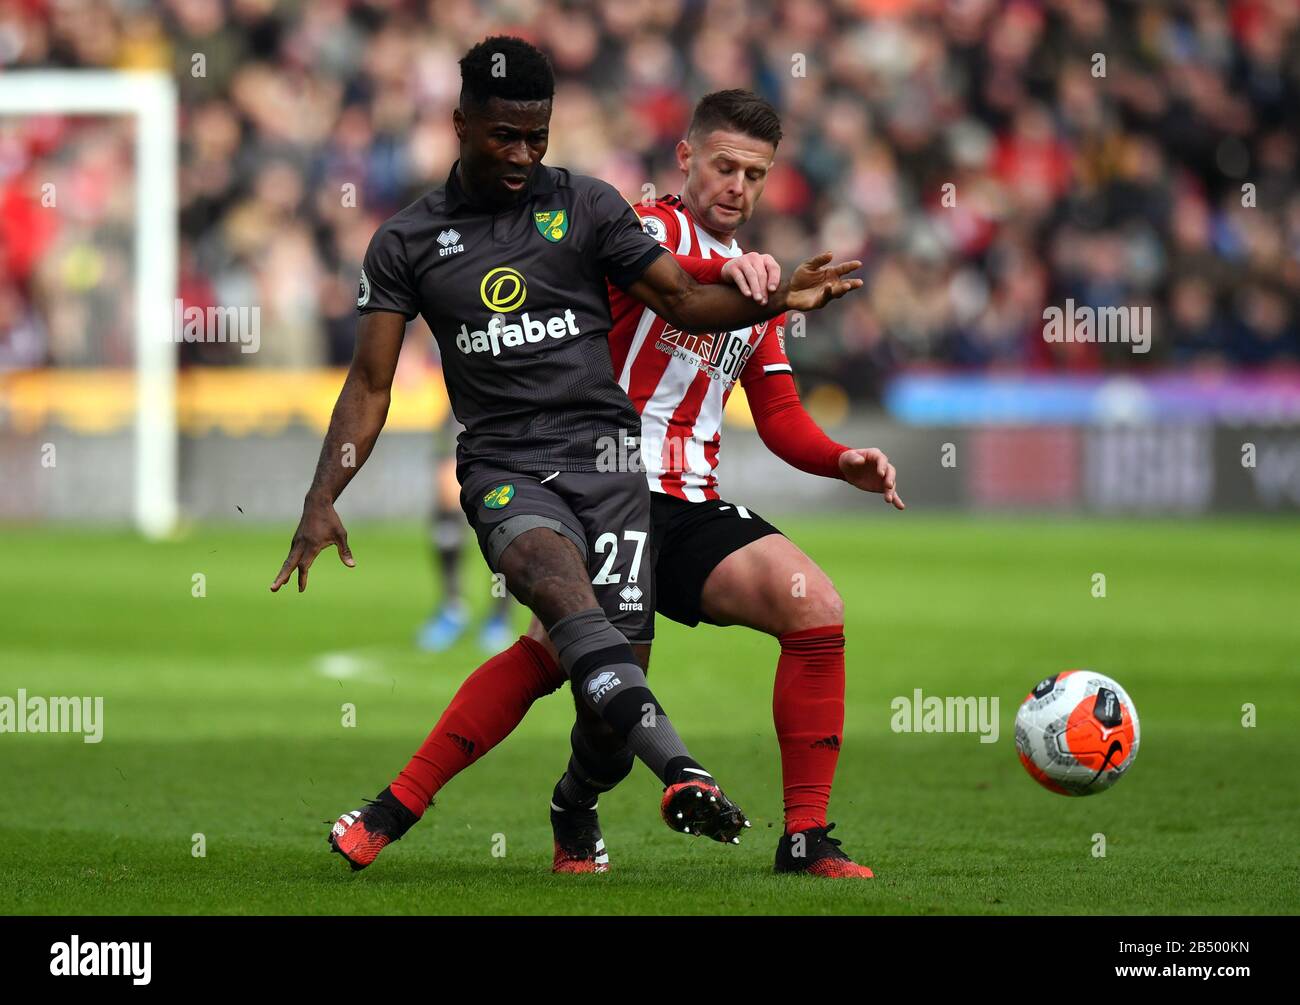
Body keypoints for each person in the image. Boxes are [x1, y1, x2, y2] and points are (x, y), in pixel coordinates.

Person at [268, 36, 864, 871]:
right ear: (460, 123)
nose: (521, 155)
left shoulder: (597, 212)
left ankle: (628, 811)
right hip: (511, 467)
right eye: (503, 136)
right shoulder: (450, 236)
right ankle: (410, 805)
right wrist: (322, 493)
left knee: (617, 681)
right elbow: (370, 384)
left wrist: (836, 445)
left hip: (621, 474)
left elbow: (709, 323)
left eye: (535, 138)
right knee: (558, 608)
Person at [540, 89, 903, 879]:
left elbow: (778, 414)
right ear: (686, 158)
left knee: (815, 606)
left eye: (756, 174)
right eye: (725, 166)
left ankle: (805, 836)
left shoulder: (762, 281)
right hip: (603, 494)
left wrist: (841, 458)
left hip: (692, 503)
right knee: (569, 678)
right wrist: (744, 276)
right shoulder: (640, 227)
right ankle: (562, 799)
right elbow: (663, 272)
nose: (738, 185)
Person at [416, 411, 513, 654]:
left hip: (511, 418)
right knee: (446, 519)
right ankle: (452, 608)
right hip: (464, 410)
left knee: (506, 524)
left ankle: (498, 617)